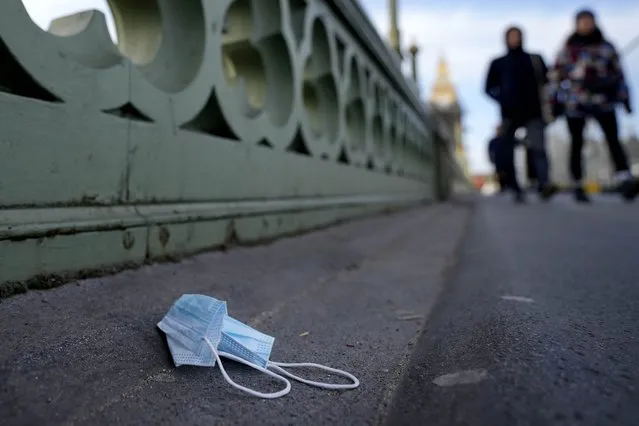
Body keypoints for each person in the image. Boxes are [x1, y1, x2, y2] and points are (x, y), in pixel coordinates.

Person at [548, 9, 639, 203]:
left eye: (589, 21)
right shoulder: (568, 49)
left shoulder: (606, 47)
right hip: (576, 103)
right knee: (577, 142)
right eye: (582, 21)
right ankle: (577, 183)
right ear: (577, 24)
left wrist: (625, 99)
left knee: (613, 139)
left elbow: (619, 74)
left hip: (603, 101)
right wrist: (555, 103)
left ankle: (624, 177)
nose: (586, 25)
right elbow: (555, 77)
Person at [485, 26, 558, 203]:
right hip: (510, 114)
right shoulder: (498, 63)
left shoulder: (534, 59)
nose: (515, 39)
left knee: (538, 148)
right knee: (507, 151)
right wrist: (503, 100)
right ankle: (515, 187)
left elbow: (548, 81)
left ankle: (544, 184)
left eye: (517, 36)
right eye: (511, 36)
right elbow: (488, 88)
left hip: (534, 111)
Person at [487, 124, 507, 193]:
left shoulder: (505, 140)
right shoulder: (493, 141)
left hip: (505, 160)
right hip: (497, 160)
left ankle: (506, 186)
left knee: (506, 173)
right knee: (499, 173)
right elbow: (490, 151)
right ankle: (502, 187)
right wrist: (491, 159)